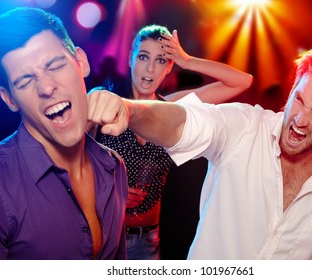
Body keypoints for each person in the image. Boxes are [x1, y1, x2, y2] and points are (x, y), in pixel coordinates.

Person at [88, 45, 312, 259]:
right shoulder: (245, 127)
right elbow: (182, 122)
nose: (300, 120)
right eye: (299, 100)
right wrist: (129, 110)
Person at [92, 24, 253, 260]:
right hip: (105, 233)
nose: (149, 68)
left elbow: (242, 81)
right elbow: (71, 162)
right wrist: (109, 192)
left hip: (147, 240)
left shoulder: (171, 107)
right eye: (143, 57)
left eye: (161, 60)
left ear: (169, 68)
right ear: (131, 59)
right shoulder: (108, 101)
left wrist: (187, 60)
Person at [0, 7, 127, 260]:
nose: (47, 87)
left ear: (81, 62)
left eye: (54, 66)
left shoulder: (114, 166)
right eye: (25, 80)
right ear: (10, 99)